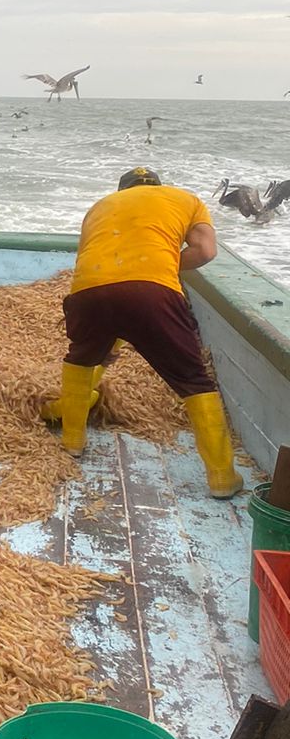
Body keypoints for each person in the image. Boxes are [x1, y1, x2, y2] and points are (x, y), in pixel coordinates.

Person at [56, 165, 243, 497]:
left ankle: (72, 441)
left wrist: (108, 342)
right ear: (158, 186)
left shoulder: (100, 206)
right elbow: (206, 251)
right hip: (152, 292)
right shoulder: (186, 199)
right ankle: (222, 478)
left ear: (122, 190)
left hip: (88, 291)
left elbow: (93, 260)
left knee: (81, 361)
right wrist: (164, 264)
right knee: (193, 379)